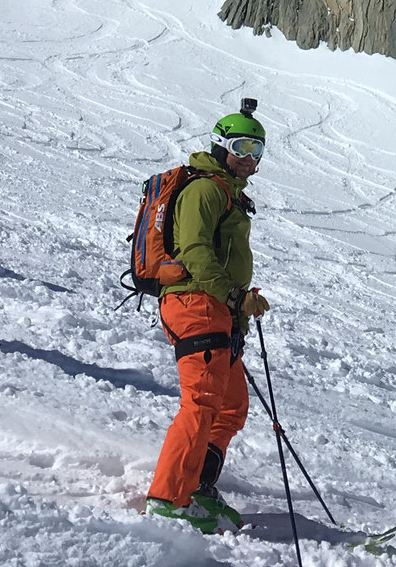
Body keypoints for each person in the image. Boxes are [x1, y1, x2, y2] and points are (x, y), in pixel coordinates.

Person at [146, 103, 271, 533]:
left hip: (219, 308)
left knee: (231, 405)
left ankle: (197, 484)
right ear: (221, 145)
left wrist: (239, 305)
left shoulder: (228, 191)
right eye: (242, 147)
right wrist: (235, 296)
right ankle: (167, 499)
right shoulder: (205, 190)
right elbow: (196, 251)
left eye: (257, 148)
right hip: (195, 304)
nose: (250, 158)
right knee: (200, 403)